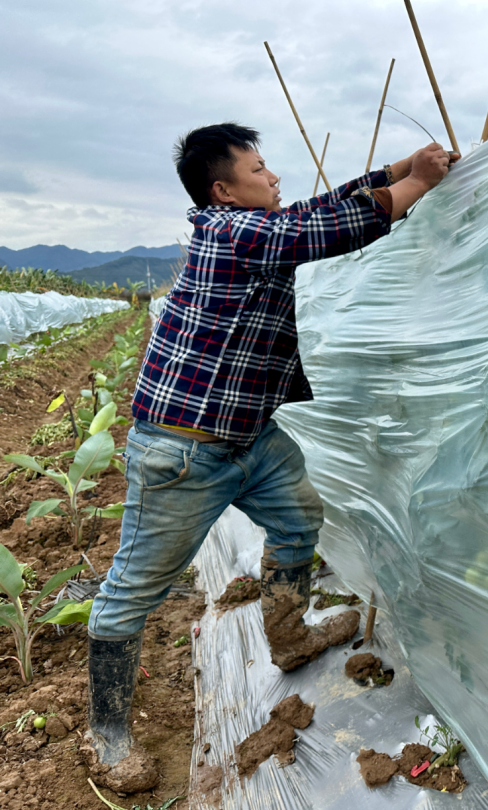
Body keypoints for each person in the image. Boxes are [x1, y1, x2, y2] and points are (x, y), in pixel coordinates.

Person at [80, 122, 458, 792]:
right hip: (183, 451)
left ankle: (287, 639)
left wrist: (400, 165)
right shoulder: (232, 233)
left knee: (297, 522)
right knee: (129, 593)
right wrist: (419, 185)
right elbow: (322, 232)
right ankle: (107, 734)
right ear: (223, 189)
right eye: (260, 169)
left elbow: (314, 210)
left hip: (248, 438)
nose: (274, 177)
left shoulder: (253, 225)